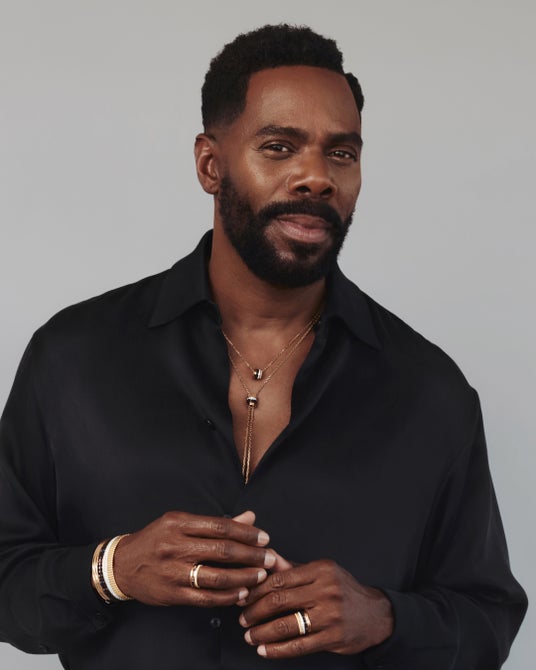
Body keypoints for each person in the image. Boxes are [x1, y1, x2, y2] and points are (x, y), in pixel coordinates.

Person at [0, 23, 527, 670]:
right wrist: (113, 569)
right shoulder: (73, 359)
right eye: (279, 147)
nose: (317, 177)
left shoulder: (429, 391)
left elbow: (487, 619)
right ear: (210, 164)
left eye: (342, 153)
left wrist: (384, 619)